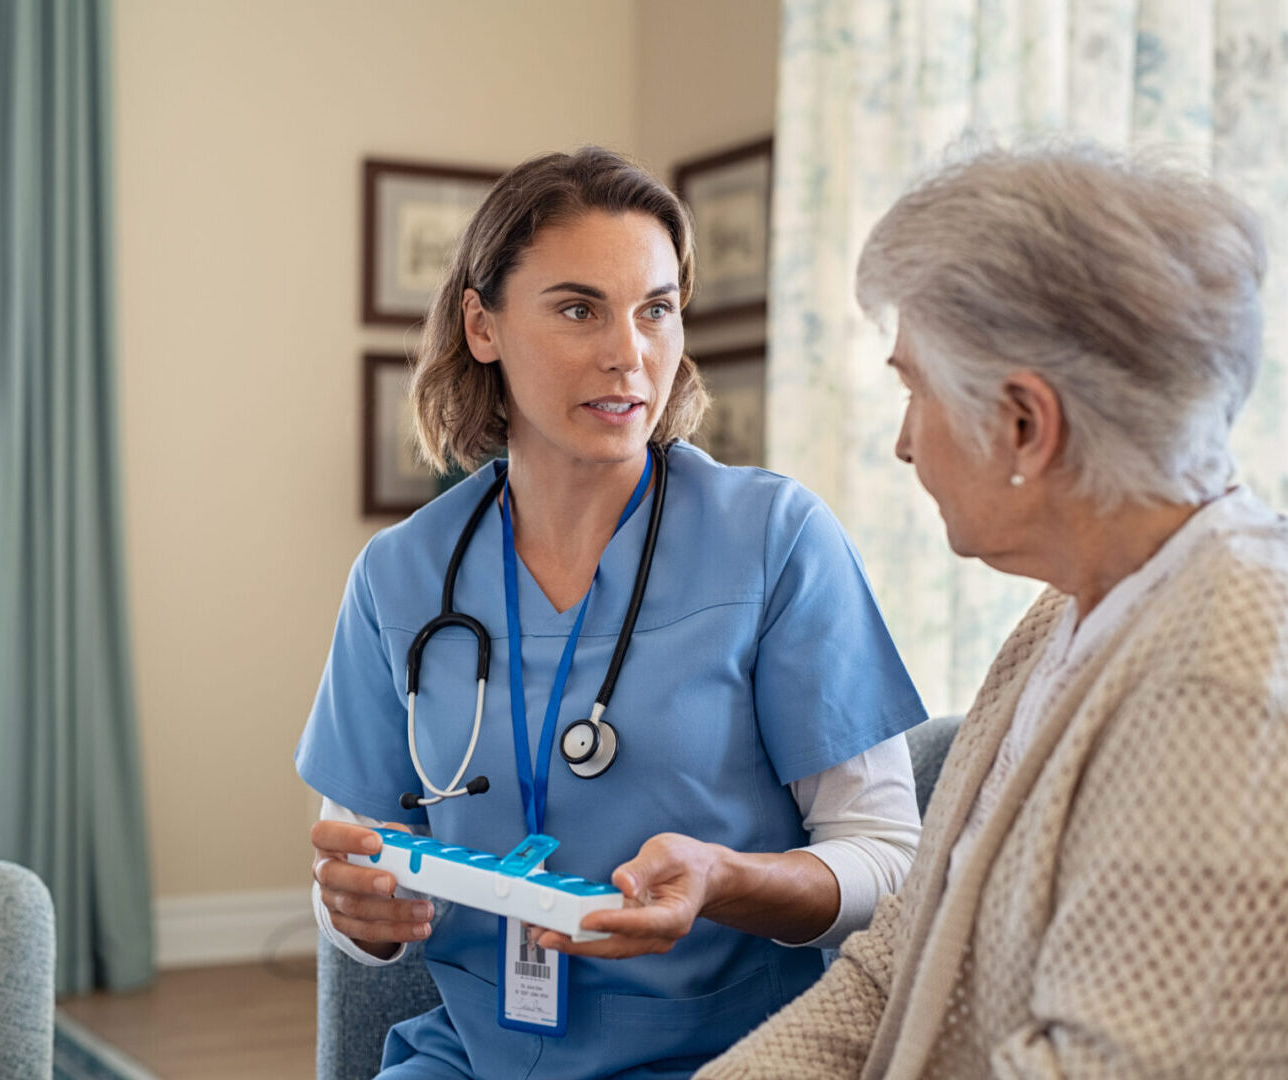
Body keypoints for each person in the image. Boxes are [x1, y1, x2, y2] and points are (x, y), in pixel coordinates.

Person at [699, 143, 1288, 1079]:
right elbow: (889, 971)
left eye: (915, 392)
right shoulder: (1069, 613)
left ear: (1025, 423)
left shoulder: (1233, 677)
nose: (904, 445)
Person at [295, 146, 928, 1080]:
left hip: (731, 1057)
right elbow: (357, 857)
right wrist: (361, 915)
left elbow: (886, 862)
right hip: (477, 1055)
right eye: (578, 308)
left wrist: (723, 880)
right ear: (483, 326)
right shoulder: (401, 577)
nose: (629, 353)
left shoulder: (774, 539)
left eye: (656, 310)